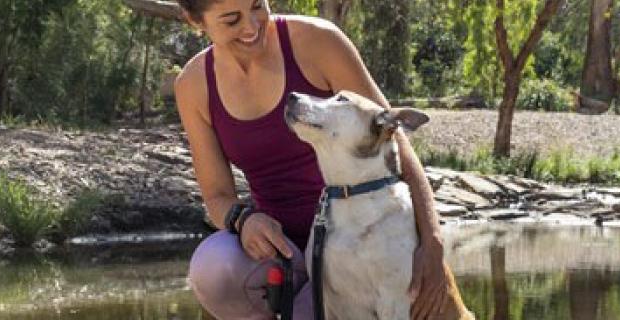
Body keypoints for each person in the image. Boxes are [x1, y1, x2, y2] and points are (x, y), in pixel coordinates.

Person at [171, 0, 453, 319]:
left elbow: (394, 140)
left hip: (363, 244)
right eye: (232, 20)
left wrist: (432, 243)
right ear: (195, 21)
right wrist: (243, 219)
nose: (251, 26)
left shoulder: (318, 41)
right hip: (283, 248)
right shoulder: (193, 85)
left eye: (257, 6)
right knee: (214, 268)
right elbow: (217, 195)